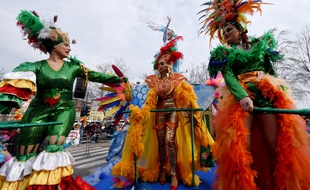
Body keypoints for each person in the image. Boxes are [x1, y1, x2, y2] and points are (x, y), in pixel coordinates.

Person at [0, 10, 128, 190]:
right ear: (53, 45)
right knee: (24, 154)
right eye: (65, 44)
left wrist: (119, 80)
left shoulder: (73, 67)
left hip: (64, 110)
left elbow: (94, 75)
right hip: (37, 110)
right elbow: (16, 82)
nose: (69, 48)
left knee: (53, 149)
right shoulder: (36, 66)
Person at [199, 0, 310, 189]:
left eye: (229, 28)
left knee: (274, 145)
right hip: (240, 99)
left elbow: (271, 73)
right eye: (223, 31)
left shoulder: (260, 47)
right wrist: (243, 96)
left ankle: (276, 184)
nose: (225, 33)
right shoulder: (224, 53)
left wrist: (281, 95)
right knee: (243, 146)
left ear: (241, 30)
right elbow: (229, 76)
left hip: (266, 95)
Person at [111, 36, 214, 190]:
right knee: (161, 143)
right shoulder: (154, 82)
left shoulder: (178, 80)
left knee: (170, 141)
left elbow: (187, 98)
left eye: (163, 63)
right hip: (158, 113)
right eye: (158, 64)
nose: (160, 66)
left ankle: (173, 173)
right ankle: (162, 171)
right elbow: (149, 101)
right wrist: (140, 111)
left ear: (169, 65)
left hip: (173, 112)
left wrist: (192, 108)